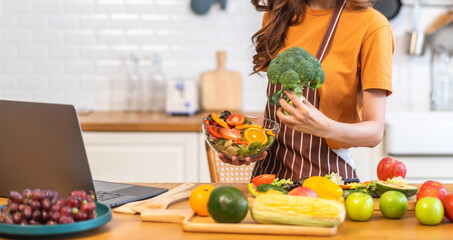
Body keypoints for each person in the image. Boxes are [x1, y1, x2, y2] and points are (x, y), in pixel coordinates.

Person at [218, 0, 394, 180]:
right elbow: (276, 107)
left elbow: (374, 132)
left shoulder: (371, 26)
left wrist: (325, 128)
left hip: (328, 183)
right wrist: (248, 145)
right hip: (268, 180)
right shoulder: (278, 14)